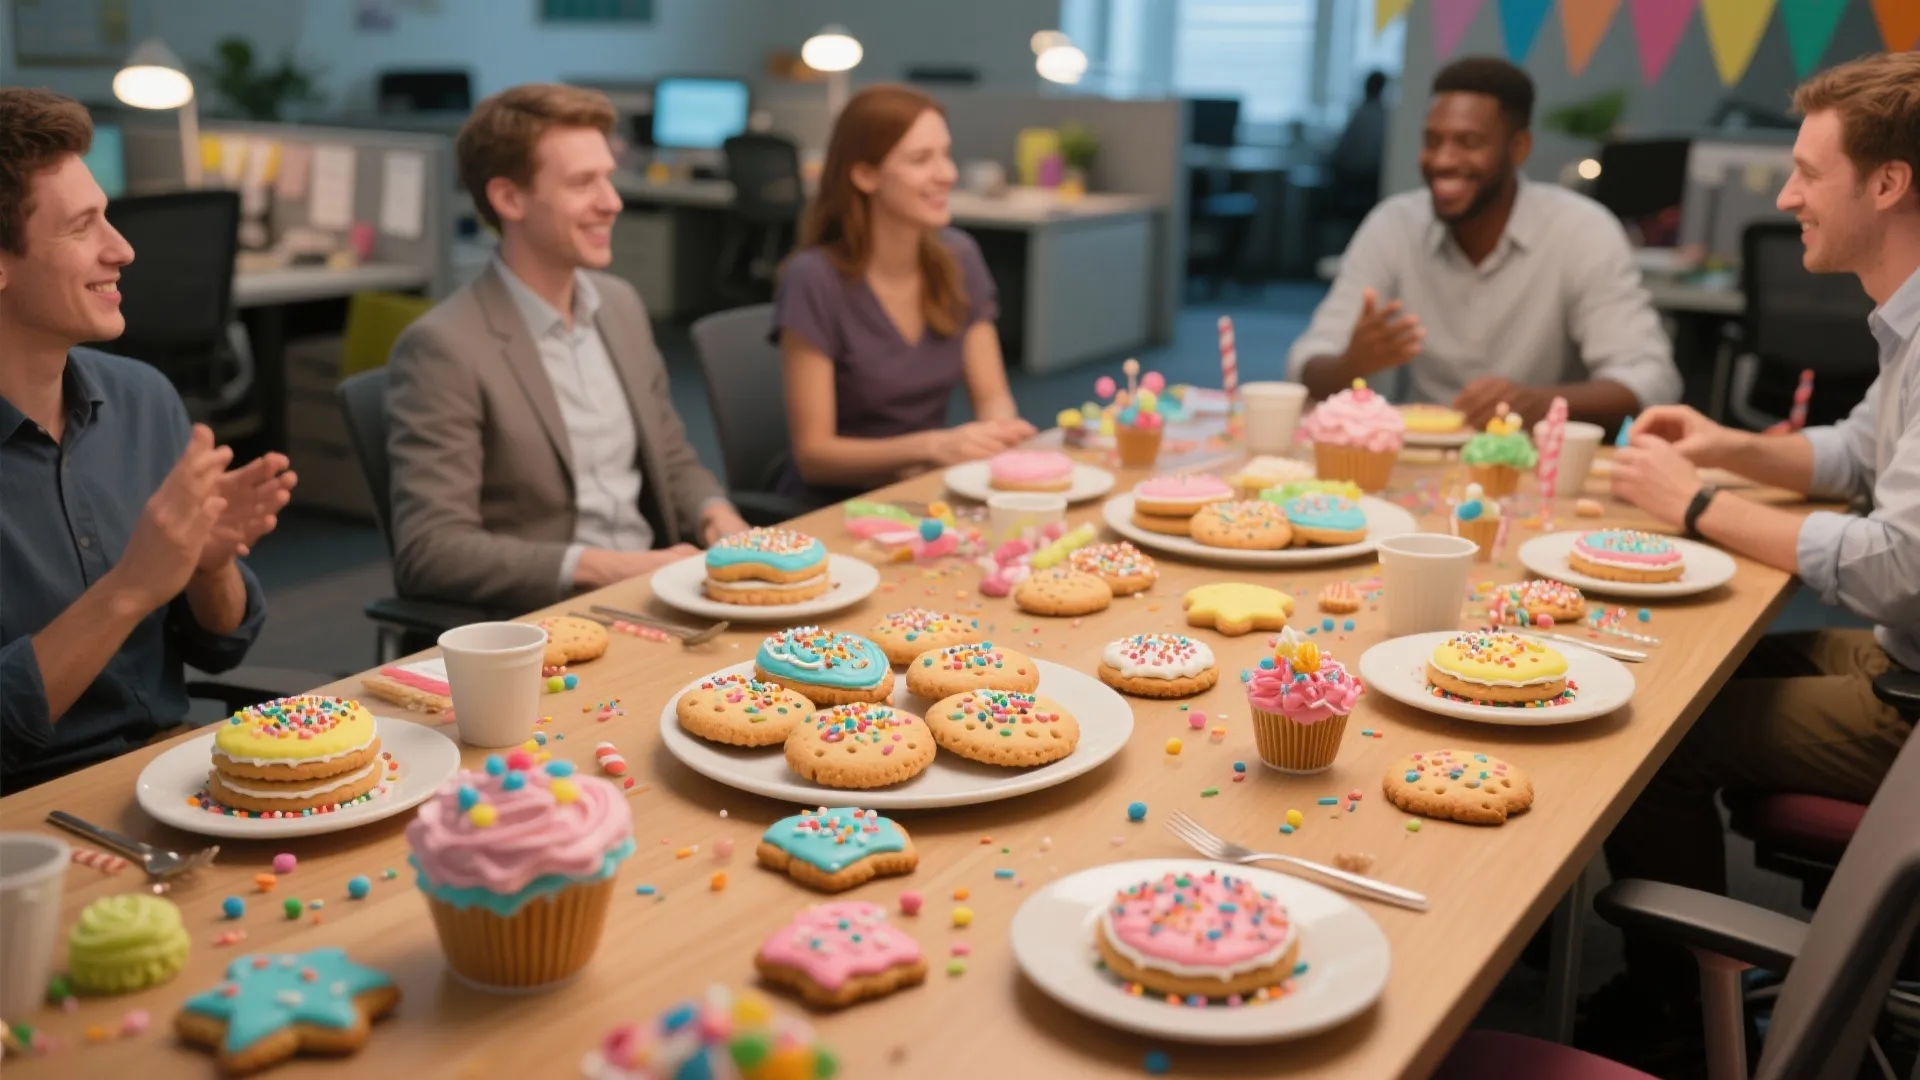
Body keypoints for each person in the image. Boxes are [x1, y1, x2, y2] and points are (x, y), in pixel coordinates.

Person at [1594, 51, 1920, 1063]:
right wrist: (1722, 446)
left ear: (1887, 182)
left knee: (1656, 742)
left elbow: (1897, 565)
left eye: (1806, 174)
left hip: (1908, 698)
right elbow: (1855, 452)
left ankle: (1683, 1026)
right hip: (1899, 654)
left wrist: (1695, 504)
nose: (1786, 197)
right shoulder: (1908, 316)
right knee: (1702, 673)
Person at [0, 88, 295, 792]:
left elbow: (223, 647)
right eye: (82, 227)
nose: (123, 248)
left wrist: (207, 567)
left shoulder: (142, 399)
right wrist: (131, 587)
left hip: (166, 771)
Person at [387, 83, 748, 613]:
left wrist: (719, 517)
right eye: (584, 183)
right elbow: (431, 551)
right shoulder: (444, 347)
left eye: (608, 176)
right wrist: (606, 567)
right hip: (553, 619)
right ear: (509, 198)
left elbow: (670, 458)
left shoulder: (619, 305)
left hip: (657, 594)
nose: (613, 202)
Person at [1287, 57, 1680, 431]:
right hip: (1418, 461)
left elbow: (1651, 379)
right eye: (1432, 140)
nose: (1443, 160)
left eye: (1468, 142)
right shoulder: (1394, 225)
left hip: (1536, 464)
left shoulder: (1581, 231)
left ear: (1519, 148)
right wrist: (1349, 363)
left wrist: (1541, 403)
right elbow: (1305, 364)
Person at [773, 83, 1034, 507]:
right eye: (921, 160)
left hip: (923, 495)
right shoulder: (814, 279)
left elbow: (993, 397)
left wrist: (999, 435)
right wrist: (933, 447)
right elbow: (814, 455)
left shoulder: (958, 257)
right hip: (834, 511)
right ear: (864, 174)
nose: (947, 173)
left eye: (946, 154)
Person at [1327, 70, 1390, 204]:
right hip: (1367, 179)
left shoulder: (1363, 113)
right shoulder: (1382, 114)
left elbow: (1342, 148)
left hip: (1358, 179)